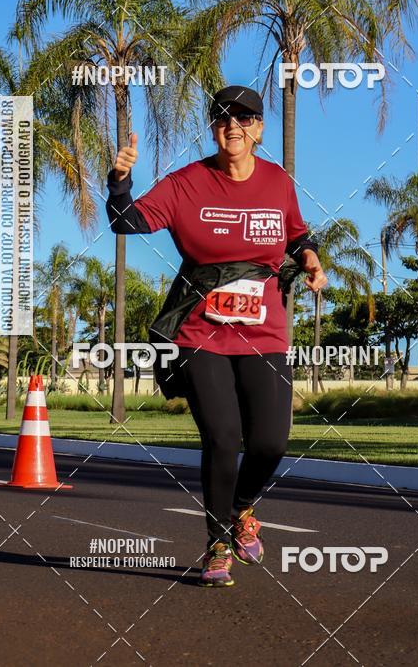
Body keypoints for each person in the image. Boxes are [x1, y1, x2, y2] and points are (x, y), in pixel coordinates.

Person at [106, 85, 327, 588]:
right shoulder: (187, 183)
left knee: (270, 443)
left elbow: (296, 233)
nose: (235, 127)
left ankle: (242, 507)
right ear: (213, 127)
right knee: (224, 439)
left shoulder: (277, 181)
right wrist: (120, 180)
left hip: (265, 334)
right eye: (224, 118)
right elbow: (125, 220)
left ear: (260, 129)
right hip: (201, 333)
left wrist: (311, 260)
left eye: (246, 119)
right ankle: (217, 546)